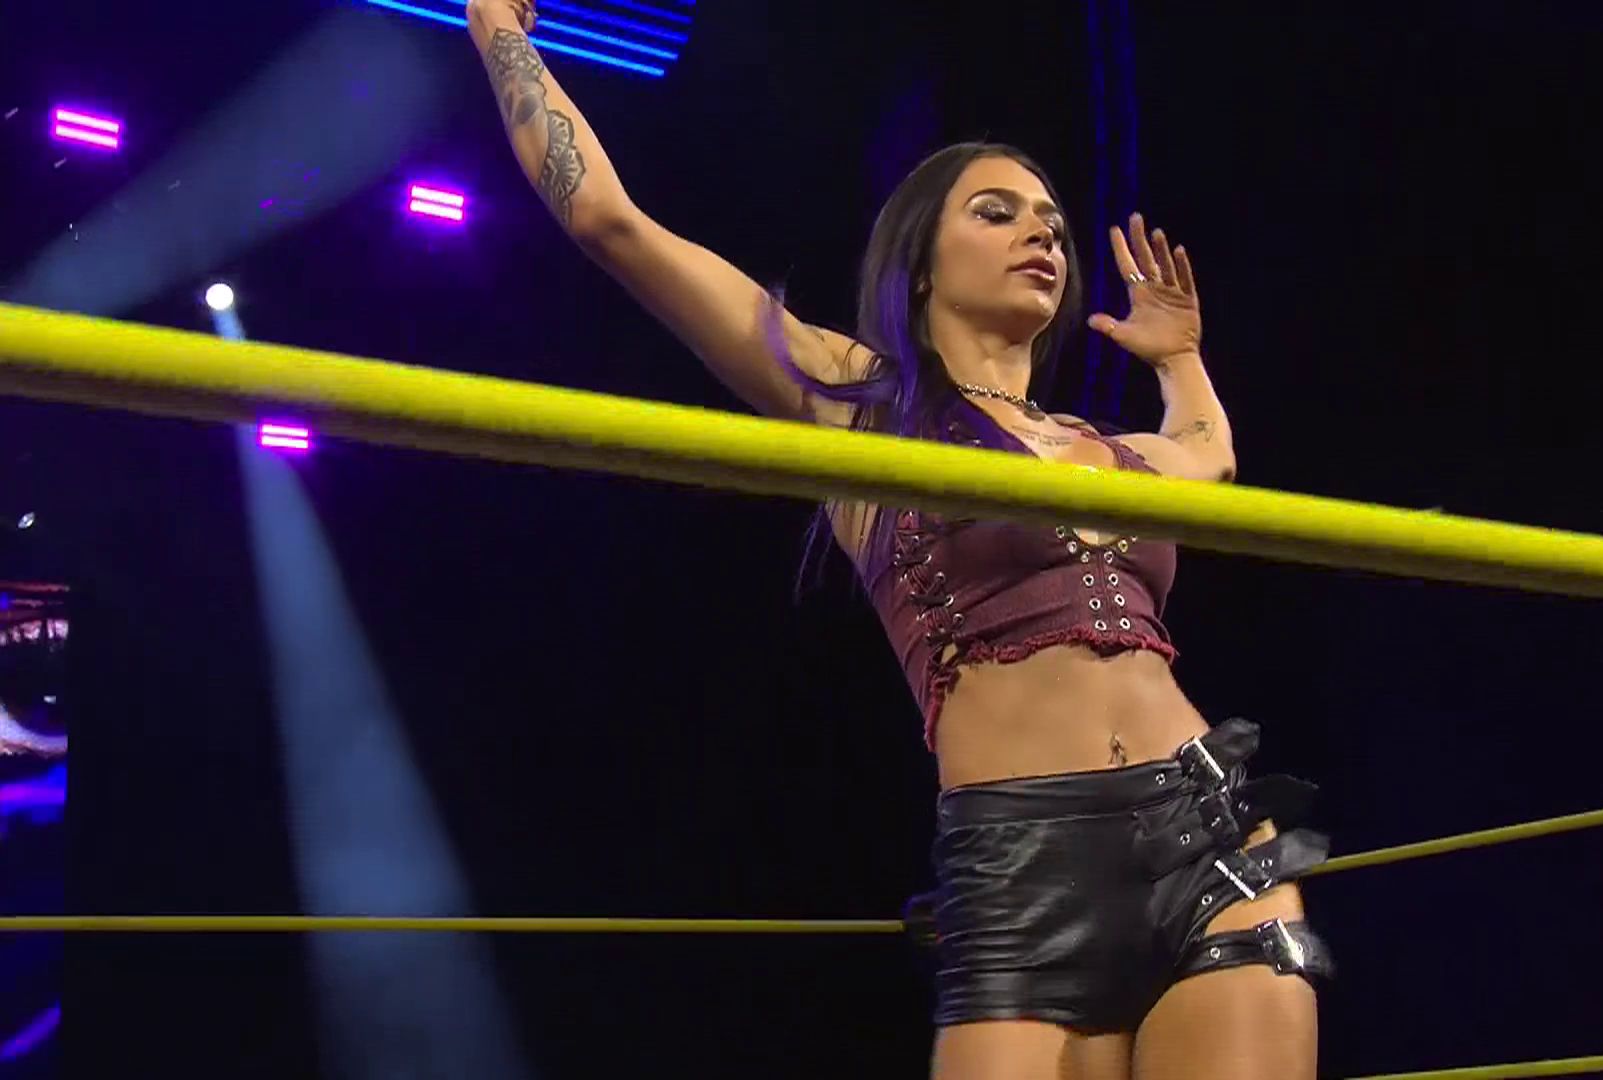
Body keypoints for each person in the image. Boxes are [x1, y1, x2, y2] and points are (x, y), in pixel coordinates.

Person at [464, 3, 1333, 1077]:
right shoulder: (865, 406)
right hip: (1019, 859)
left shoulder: (1108, 450)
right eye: (998, 213)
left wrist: (1179, 357)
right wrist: (498, 30)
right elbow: (612, 222)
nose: (1041, 235)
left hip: (1205, 835)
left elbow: (1209, 456)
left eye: (1053, 224)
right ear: (921, 263)